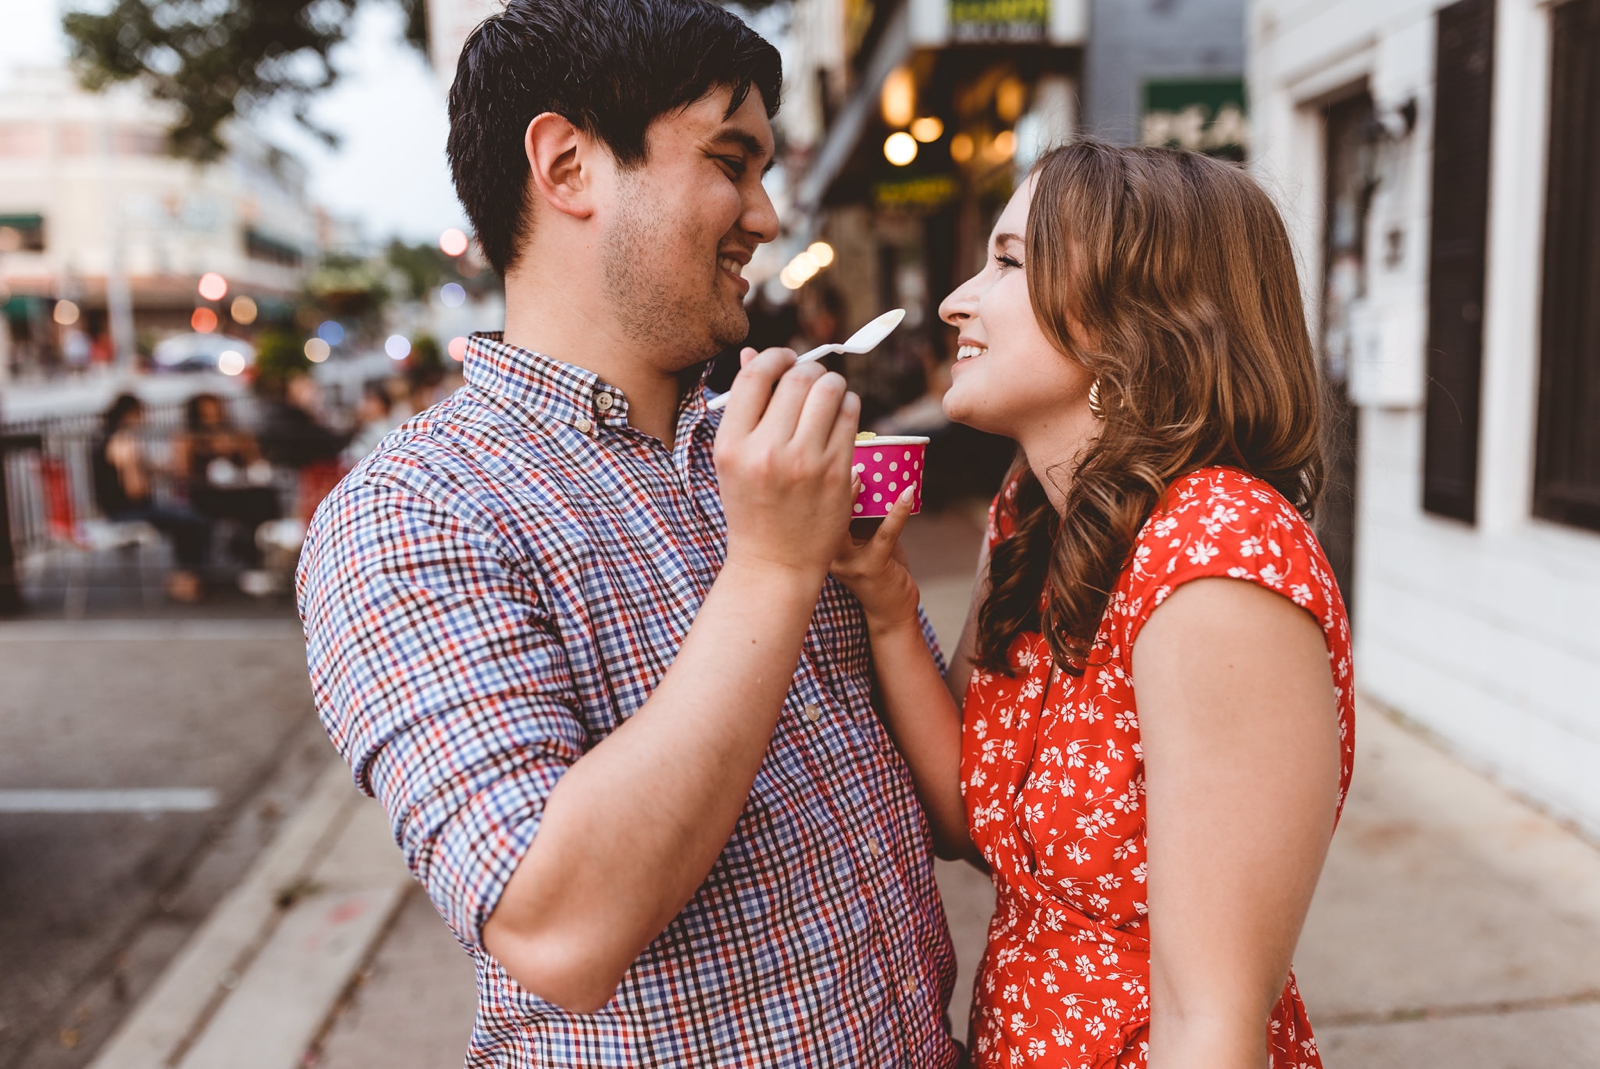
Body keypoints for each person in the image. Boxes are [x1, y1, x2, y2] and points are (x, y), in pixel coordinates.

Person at [296, 2, 959, 1066]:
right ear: (567, 166)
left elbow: (958, 811)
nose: (766, 213)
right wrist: (776, 564)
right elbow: (558, 929)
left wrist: (881, 594)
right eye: (730, 161)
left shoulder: (749, 450)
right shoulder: (413, 511)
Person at [831, 140, 1354, 1068]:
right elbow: (965, 816)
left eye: (1007, 261)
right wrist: (883, 597)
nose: (956, 300)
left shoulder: (1219, 552)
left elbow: (1211, 1022)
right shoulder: (1031, 510)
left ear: (1131, 313)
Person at [91, 393, 209, 602]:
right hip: (127, 511)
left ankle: (187, 577)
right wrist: (147, 476)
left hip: (116, 509)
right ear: (131, 414)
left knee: (186, 516)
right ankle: (186, 580)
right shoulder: (123, 441)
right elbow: (136, 489)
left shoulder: (107, 436)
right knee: (193, 520)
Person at [173, 392, 280, 589]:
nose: (213, 416)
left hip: (236, 490)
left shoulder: (235, 434)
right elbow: (182, 473)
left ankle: (255, 558)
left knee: (263, 499)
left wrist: (239, 446)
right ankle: (238, 553)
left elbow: (254, 462)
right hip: (205, 494)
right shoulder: (189, 438)